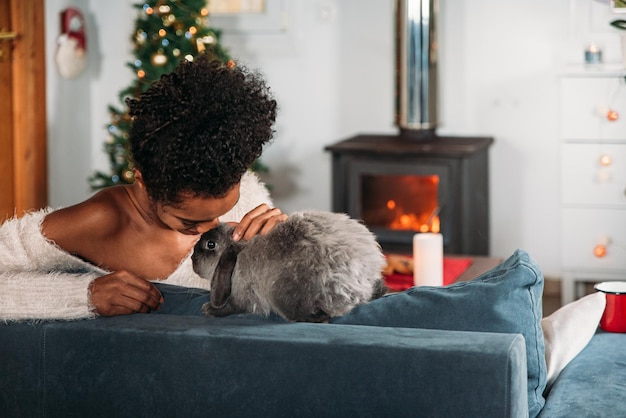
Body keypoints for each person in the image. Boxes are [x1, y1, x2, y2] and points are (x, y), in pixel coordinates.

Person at [0, 54, 287, 320]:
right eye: (189, 221)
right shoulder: (98, 220)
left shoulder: (246, 193)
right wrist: (84, 295)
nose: (212, 225)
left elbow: (278, 300)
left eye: (223, 209)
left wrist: (284, 246)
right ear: (144, 182)